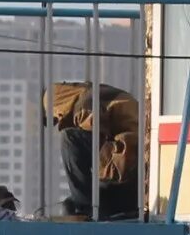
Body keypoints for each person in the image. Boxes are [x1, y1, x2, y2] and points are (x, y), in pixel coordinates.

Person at [47, 82, 139, 219]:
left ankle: (89, 210)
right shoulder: (93, 93)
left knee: (69, 138)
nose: (58, 121)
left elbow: (99, 140)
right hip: (127, 162)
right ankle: (97, 212)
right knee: (69, 206)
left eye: (54, 118)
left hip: (130, 157)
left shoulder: (84, 107)